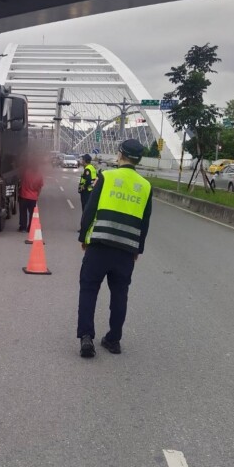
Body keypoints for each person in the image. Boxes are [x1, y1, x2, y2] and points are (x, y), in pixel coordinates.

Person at [76, 139, 152, 358]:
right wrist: (138, 249)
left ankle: (86, 337)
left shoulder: (107, 176)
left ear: (119, 155)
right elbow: (144, 223)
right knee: (120, 294)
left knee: (89, 289)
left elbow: (90, 209)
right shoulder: (146, 186)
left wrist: (83, 236)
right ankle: (113, 339)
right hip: (126, 250)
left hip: (99, 245)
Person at [18, 156, 44, 232]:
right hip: (33, 197)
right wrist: (37, 195)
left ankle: (23, 227)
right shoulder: (39, 175)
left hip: (23, 195)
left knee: (23, 213)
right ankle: (30, 228)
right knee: (32, 214)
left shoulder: (26, 172)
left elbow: (20, 180)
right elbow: (40, 187)